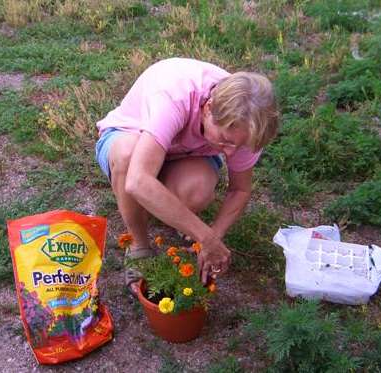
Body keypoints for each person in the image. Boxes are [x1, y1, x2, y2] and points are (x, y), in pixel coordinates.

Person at [95, 57, 278, 295]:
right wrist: (205, 238)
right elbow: (138, 180)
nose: (231, 152)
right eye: (224, 140)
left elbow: (240, 190)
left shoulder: (251, 123)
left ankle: (162, 204)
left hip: (182, 154)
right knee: (128, 159)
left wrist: (215, 234)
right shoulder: (175, 95)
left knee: (198, 188)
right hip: (133, 137)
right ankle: (139, 245)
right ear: (208, 108)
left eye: (238, 145)